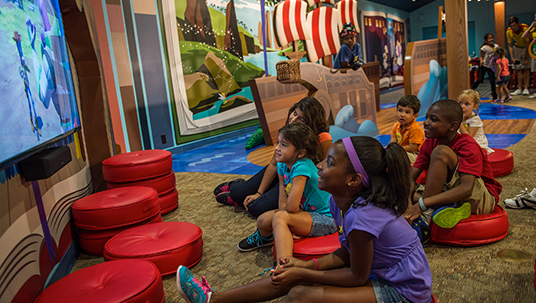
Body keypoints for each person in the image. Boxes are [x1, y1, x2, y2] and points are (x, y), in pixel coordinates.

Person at [176, 136, 433, 303]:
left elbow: (356, 275)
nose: (319, 165)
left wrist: (304, 272)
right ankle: (211, 299)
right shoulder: (337, 201)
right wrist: (303, 266)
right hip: (380, 272)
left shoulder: (363, 217)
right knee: (292, 275)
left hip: (403, 290)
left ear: (353, 180)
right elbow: (347, 253)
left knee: (299, 294)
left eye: (329, 162)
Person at [214, 97, 332, 218]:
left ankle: (239, 198)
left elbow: (322, 171)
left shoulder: (323, 138)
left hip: (298, 179)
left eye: (301, 119)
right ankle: (236, 187)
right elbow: (274, 164)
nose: (294, 119)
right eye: (294, 113)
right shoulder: (290, 130)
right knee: (239, 194)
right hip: (283, 174)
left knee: (256, 208)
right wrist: (259, 193)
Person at [237, 123, 336, 265]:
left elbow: (292, 208)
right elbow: (282, 192)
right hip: (305, 212)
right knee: (262, 221)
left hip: (326, 218)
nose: (277, 148)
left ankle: (283, 267)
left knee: (280, 217)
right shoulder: (282, 163)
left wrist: (286, 220)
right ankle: (267, 239)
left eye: (284, 145)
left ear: (300, 153)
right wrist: (286, 221)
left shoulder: (302, 166)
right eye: (278, 142)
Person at [403, 99, 502, 231]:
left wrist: (421, 204)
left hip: (481, 199)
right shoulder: (429, 143)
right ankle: (449, 205)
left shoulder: (468, 145)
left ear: (453, 126)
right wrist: (409, 204)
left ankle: (426, 219)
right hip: (448, 191)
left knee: (441, 152)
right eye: (426, 117)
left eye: (433, 119)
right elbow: (410, 178)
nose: (426, 122)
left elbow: (466, 189)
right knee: (396, 183)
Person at [389, 95, 425, 164]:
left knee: (398, 158)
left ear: (415, 115)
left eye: (407, 112)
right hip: (402, 150)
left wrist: (397, 149)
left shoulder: (415, 128)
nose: (402, 115)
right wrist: (390, 148)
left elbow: (412, 147)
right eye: (400, 110)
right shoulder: (396, 126)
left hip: (416, 154)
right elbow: (393, 141)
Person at [457, 89, 494, 155]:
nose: (462, 106)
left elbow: (468, 138)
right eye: (460, 103)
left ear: (475, 106)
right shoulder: (458, 117)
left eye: (467, 104)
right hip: (464, 144)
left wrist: (459, 122)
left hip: (477, 146)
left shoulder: (475, 120)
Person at [507, 16, 531, 96]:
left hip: (526, 47)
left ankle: (526, 88)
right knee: (519, 69)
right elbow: (510, 45)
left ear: (518, 24)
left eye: (514, 25)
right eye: (511, 26)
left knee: (526, 68)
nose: (513, 28)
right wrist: (512, 57)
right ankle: (519, 88)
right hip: (517, 48)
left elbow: (528, 43)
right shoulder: (509, 31)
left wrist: (526, 57)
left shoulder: (524, 28)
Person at [470, 33, 498, 101]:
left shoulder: (496, 46)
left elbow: (497, 55)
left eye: (492, 38)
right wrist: (481, 61)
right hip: (484, 65)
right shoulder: (484, 48)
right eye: (489, 38)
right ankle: (472, 88)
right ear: (486, 40)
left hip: (491, 66)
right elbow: (482, 56)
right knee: (480, 79)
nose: (491, 39)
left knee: (492, 81)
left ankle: (494, 95)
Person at [521, 13, 536, 99]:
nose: (535, 19)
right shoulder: (534, 29)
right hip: (534, 53)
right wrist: (531, 26)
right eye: (534, 17)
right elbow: (524, 36)